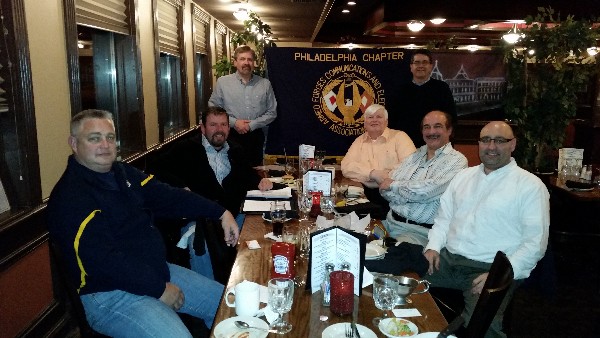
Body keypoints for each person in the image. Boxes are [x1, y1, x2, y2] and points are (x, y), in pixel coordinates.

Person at [46, 110, 240, 337]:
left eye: (110, 137)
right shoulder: (71, 197)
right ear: (74, 143)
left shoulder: (121, 172)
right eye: (94, 138)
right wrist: (158, 289)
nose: (105, 145)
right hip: (110, 293)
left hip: (153, 270)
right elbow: (104, 261)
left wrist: (220, 212)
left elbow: (168, 197)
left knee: (232, 304)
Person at [423, 121, 550, 338]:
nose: (491, 147)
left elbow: (535, 244)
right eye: (485, 140)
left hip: (487, 269)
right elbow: (443, 219)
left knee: (482, 327)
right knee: (403, 287)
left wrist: (497, 275)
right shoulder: (463, 177)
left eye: (500, 141)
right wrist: (433, 247)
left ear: (513, 145)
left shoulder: (530, 186)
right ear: (479, 143)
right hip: (447, 260)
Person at [148, 106, 281, 280]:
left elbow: (248, 175)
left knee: (263, 233)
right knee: (200, 244)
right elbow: (154, 168)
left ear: (228, 127)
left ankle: (253, 280)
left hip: (234, 214)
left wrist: (261, 181)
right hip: (200, 219)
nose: (219, 130)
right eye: (213, 125)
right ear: (203, 128)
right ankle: (214, 296)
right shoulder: (186, 149)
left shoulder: (236, 150)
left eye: (223, 125)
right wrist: (180, 186)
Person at [371, 110, 467, 247]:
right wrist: (408, 193)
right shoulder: (415, 155)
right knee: (354, 240)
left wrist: (396, 186)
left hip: (419, 232)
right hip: (390, 223)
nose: (431, 131)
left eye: (437, 126)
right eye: (426, 127)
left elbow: (425, 191)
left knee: (386, 258)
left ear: (449, 130)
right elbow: (384, 189)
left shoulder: (457, 161)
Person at [341, 104, 416, 216]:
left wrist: (386, 176)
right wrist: (372, 173)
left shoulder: (400, 137)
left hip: (396, 196)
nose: (374, 120)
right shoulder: (359, 141)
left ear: (386, 122)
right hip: (366, 196)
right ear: (365, 123)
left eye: (379, 117)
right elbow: (346, 167)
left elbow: (411, 167)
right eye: (370, 117)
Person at [209, 45, 277, 167]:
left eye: (250, 59)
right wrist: (235, 123)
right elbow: (213, 109)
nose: (246, 62)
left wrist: (251, 125)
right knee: (231, 171)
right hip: (230, 135)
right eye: (242, 59)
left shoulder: (265, 84)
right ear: (235, 62)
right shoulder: (223, 83)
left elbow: (272, 112)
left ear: (254, 63)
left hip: (256, 137)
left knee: (254, 173)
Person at [389, 49, 457, 147]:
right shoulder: (399, 90)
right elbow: (392, 121)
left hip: (435, 145)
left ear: (430, 66)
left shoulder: (442, 88)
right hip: (405, 146)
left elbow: (451, 118)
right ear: (411, 67)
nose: (421, 66)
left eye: (424, 62)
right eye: (417, 63)